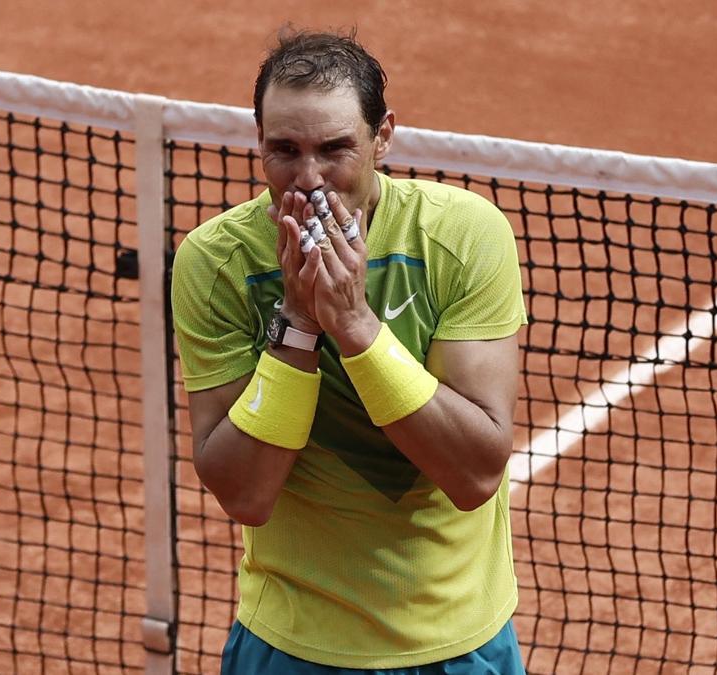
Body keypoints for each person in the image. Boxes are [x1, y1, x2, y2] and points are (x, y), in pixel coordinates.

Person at [170, 27, 528, 674]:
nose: (308, 180)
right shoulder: (215, 262)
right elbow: (244, 493)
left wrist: (357, 325)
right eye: (284, 150)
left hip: (459, 648)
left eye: (335, 148)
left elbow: (475, 472)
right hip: (289, 647)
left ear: (382, 136)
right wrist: (299, 323)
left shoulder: (464, 237)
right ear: (257, 140)